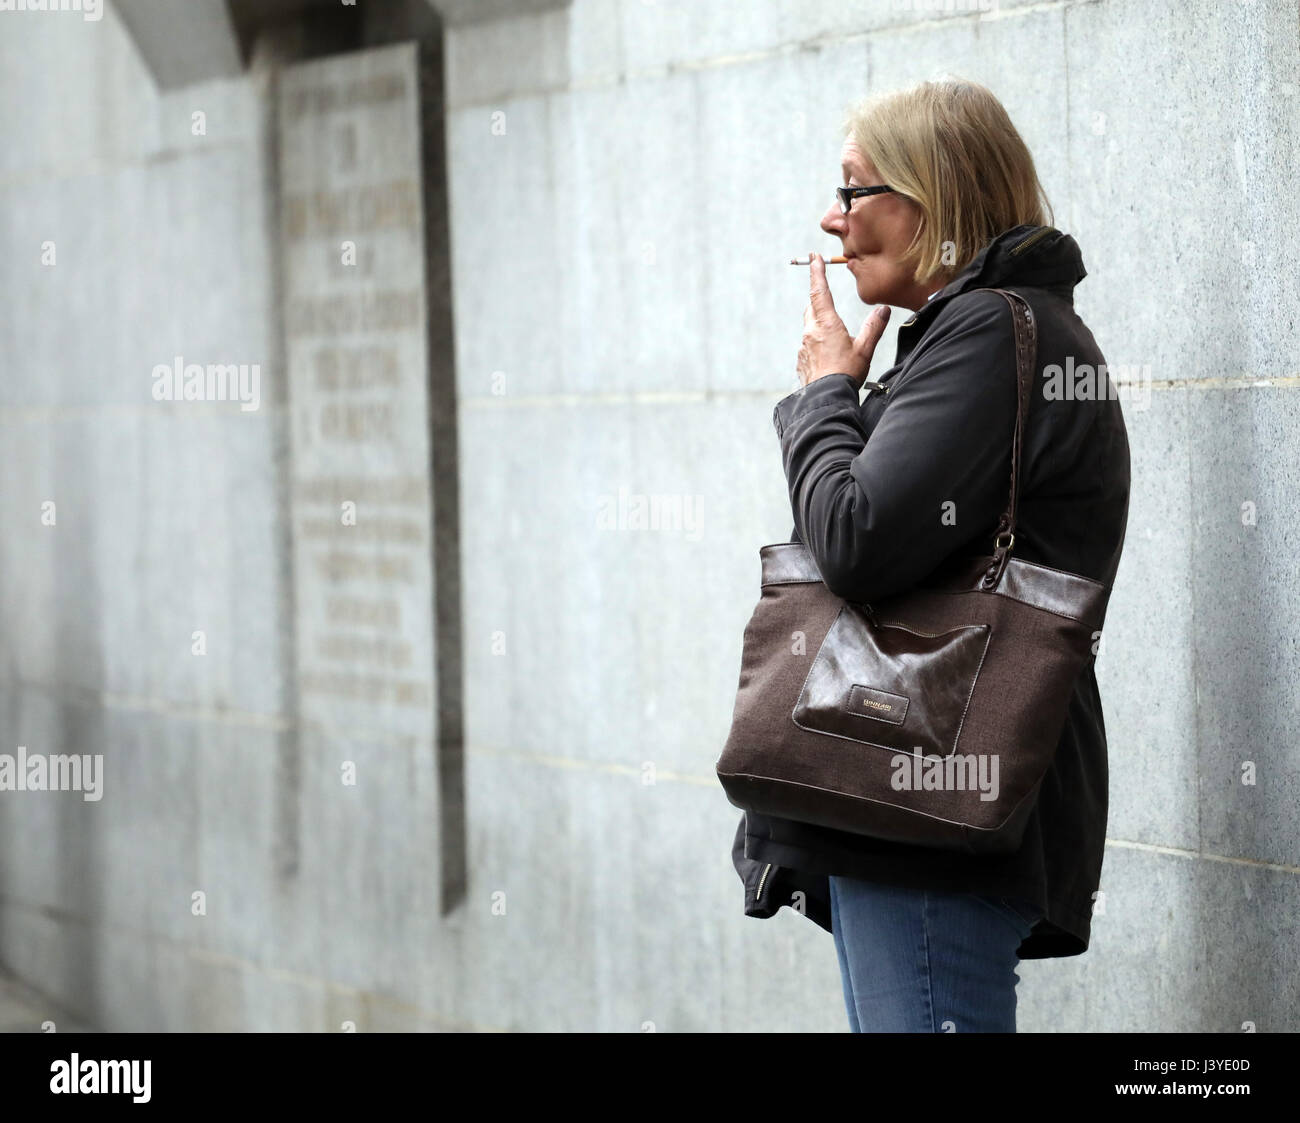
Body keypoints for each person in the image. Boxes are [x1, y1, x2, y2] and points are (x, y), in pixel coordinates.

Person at [732, 76, 1131, 1033]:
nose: (834, 222)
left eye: (856, 191)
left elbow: (857, 537)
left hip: (921, 807)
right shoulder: (985, 333)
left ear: (934, 197)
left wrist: (827, 394)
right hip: (920, 800)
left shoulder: (991, 333)